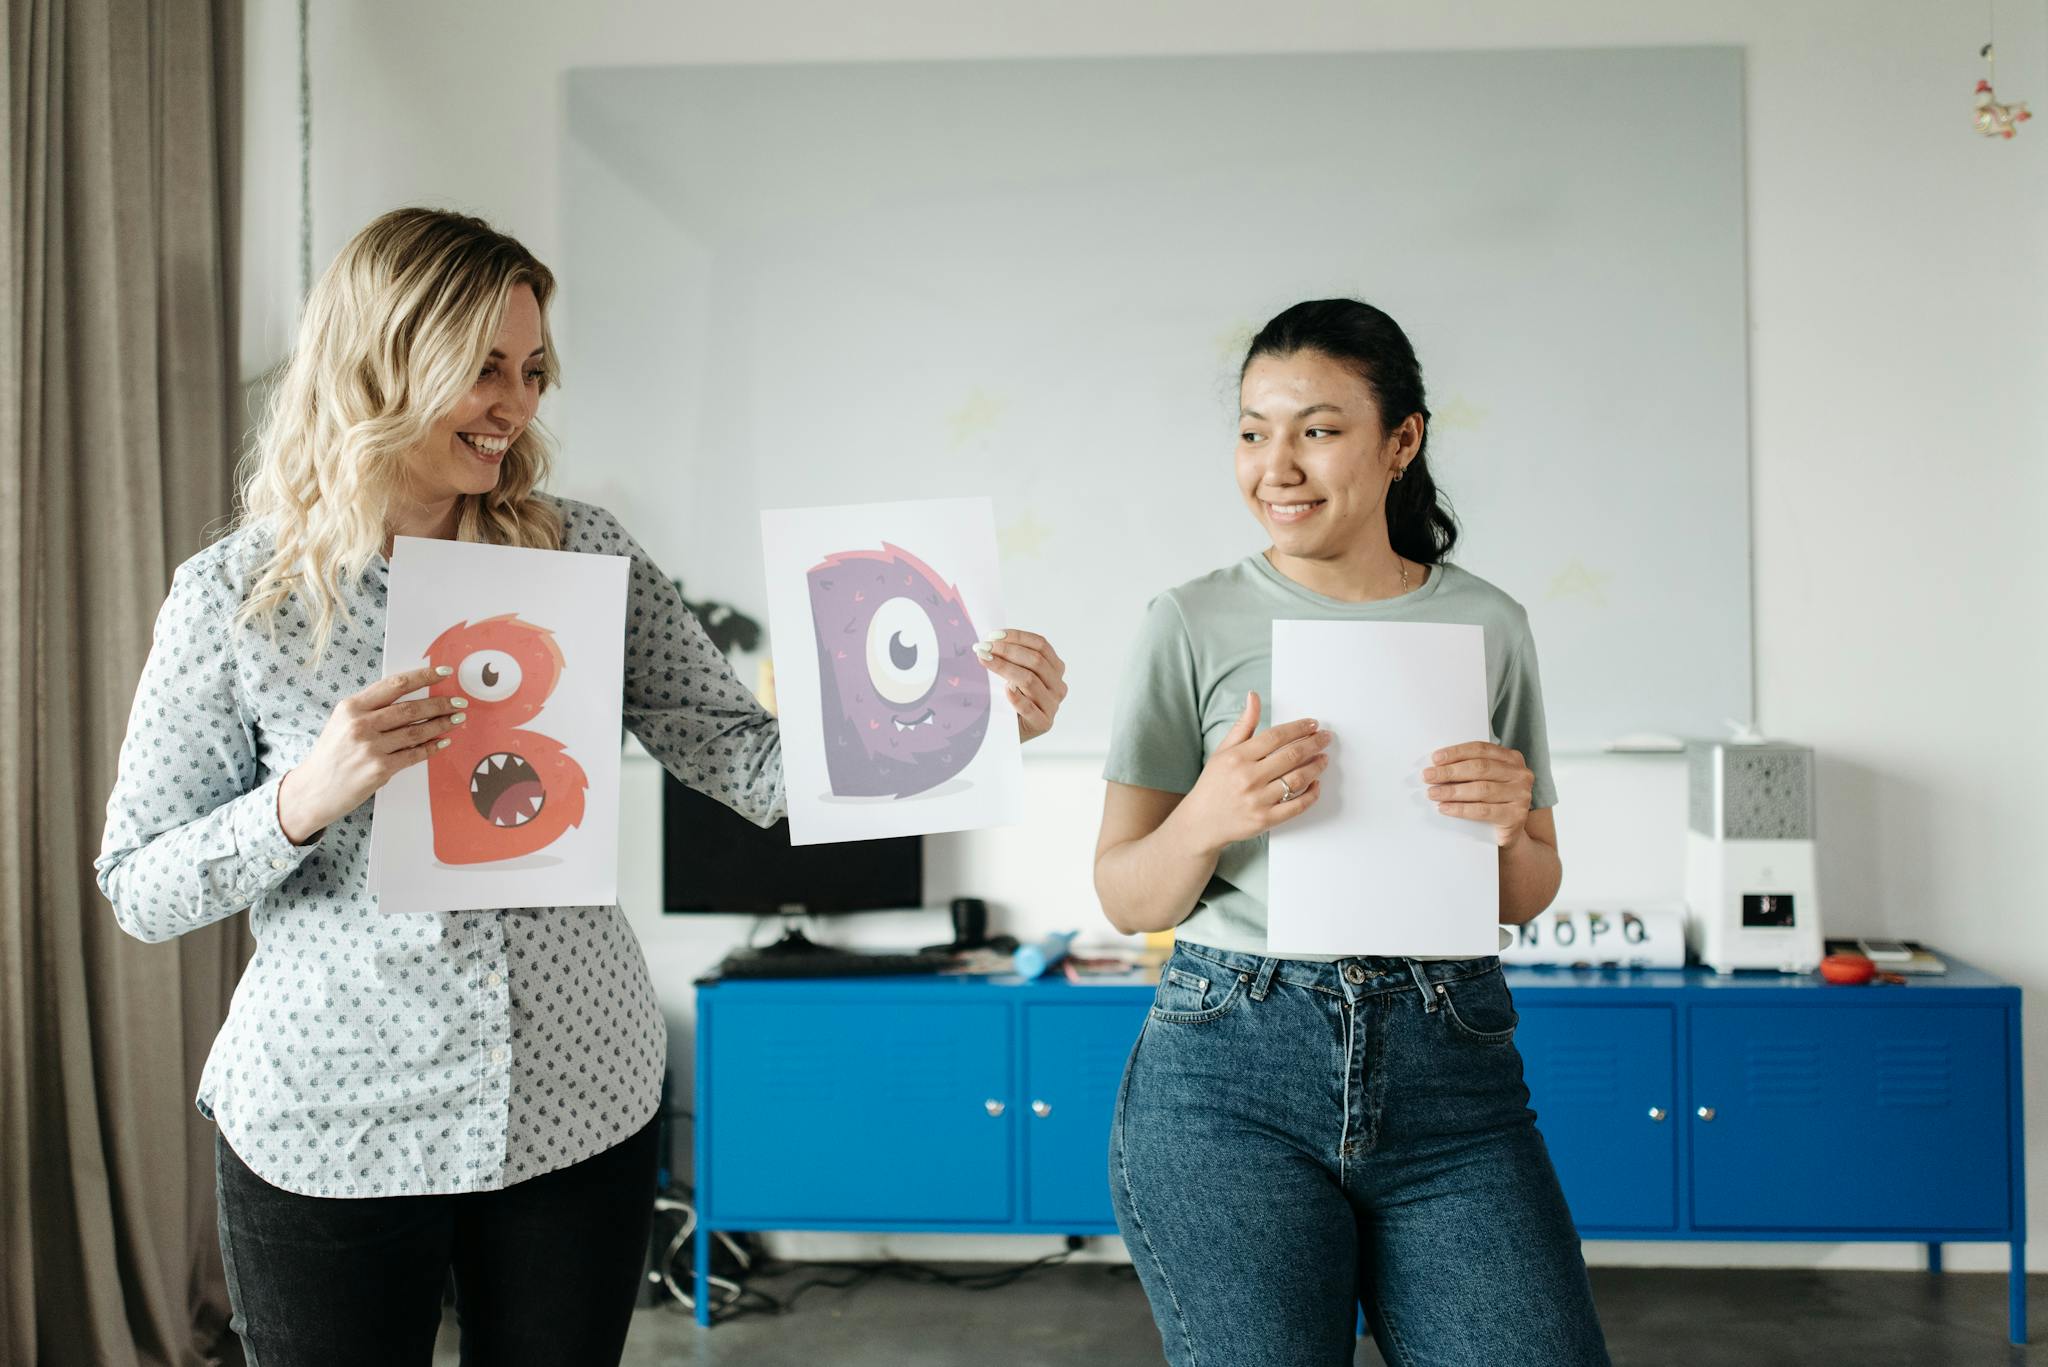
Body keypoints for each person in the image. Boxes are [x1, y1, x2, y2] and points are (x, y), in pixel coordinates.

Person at [94, 207, 1070, 1367]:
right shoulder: (235, 597)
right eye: (483, 368)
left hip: (575, 1100)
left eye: (533, 369)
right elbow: (138, 886)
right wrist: (307, 792)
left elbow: (742, 757)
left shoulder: (581, 554)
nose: (517, 402)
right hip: (330, 1119)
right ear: (380, 361)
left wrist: (965, 723)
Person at [1094, 298, 1609, 1366]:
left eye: (1315, 429)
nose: (1273, 465)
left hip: (1450, 1063)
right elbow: (1127, 894)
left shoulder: (1489, 623)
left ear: (1401, 441)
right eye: (1250, 429)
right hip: (1228, 1064)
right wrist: (1209, 813)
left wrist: (1510, 824)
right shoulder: (1185, 622)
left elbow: (1525, 887)